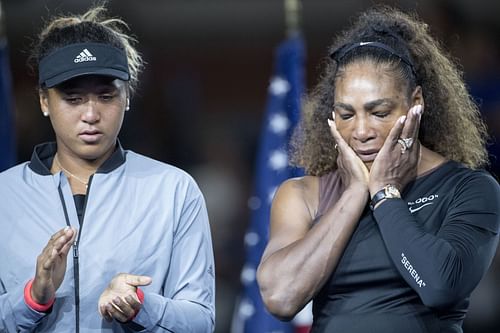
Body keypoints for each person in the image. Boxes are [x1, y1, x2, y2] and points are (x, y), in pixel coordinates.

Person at [257, 6, 500, 333]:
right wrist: (356, 192)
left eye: (379, 112)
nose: (360, 131)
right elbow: (281, 299)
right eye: (346, 115)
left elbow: (440, 286)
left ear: (416, 102)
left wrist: (385, 194)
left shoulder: (469, 188)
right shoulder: (303, 195)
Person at [0, 5, 215, 332]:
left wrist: (140, 306)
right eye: (72, 99)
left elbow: (201, 321)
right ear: (44, 101)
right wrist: (33, 297)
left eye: (105, 96)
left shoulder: (173, 190)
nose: (90, 114)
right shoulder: (4, 194)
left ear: (127, 97)